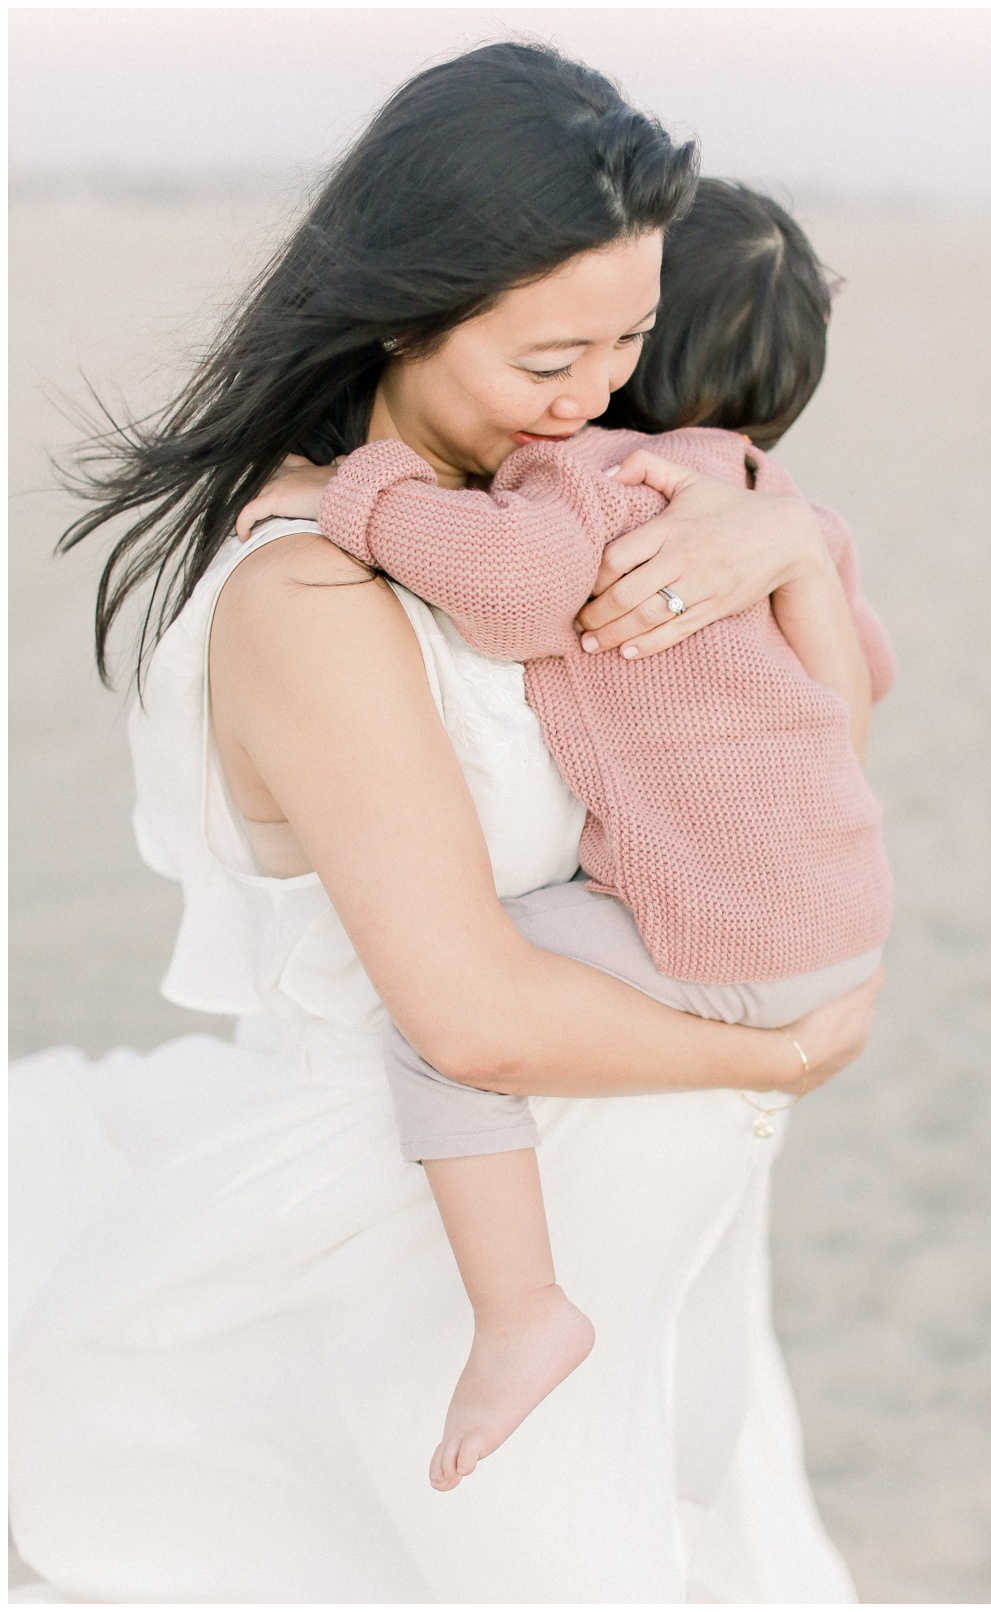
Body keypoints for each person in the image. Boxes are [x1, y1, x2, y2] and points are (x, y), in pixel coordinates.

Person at [10, 45, 880, 1603]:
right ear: (405, 308)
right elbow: (468, 1011)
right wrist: (784, 1056)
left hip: (648, 1249)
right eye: (552, 355)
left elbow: (815, 767)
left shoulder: (552, 495)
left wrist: (788, 535)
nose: (604, 393)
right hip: (431, 1266)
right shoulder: (313, 591)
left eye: (631, 336)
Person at [236, 178, 894, 1493]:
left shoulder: (595, 483)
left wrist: (352, 491)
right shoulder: (766, 495)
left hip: (720, 937)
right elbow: (857, 690)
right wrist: (805, 551)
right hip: (839, 915)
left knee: (448, 1033)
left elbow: (508, 585)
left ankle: (524, 1306)